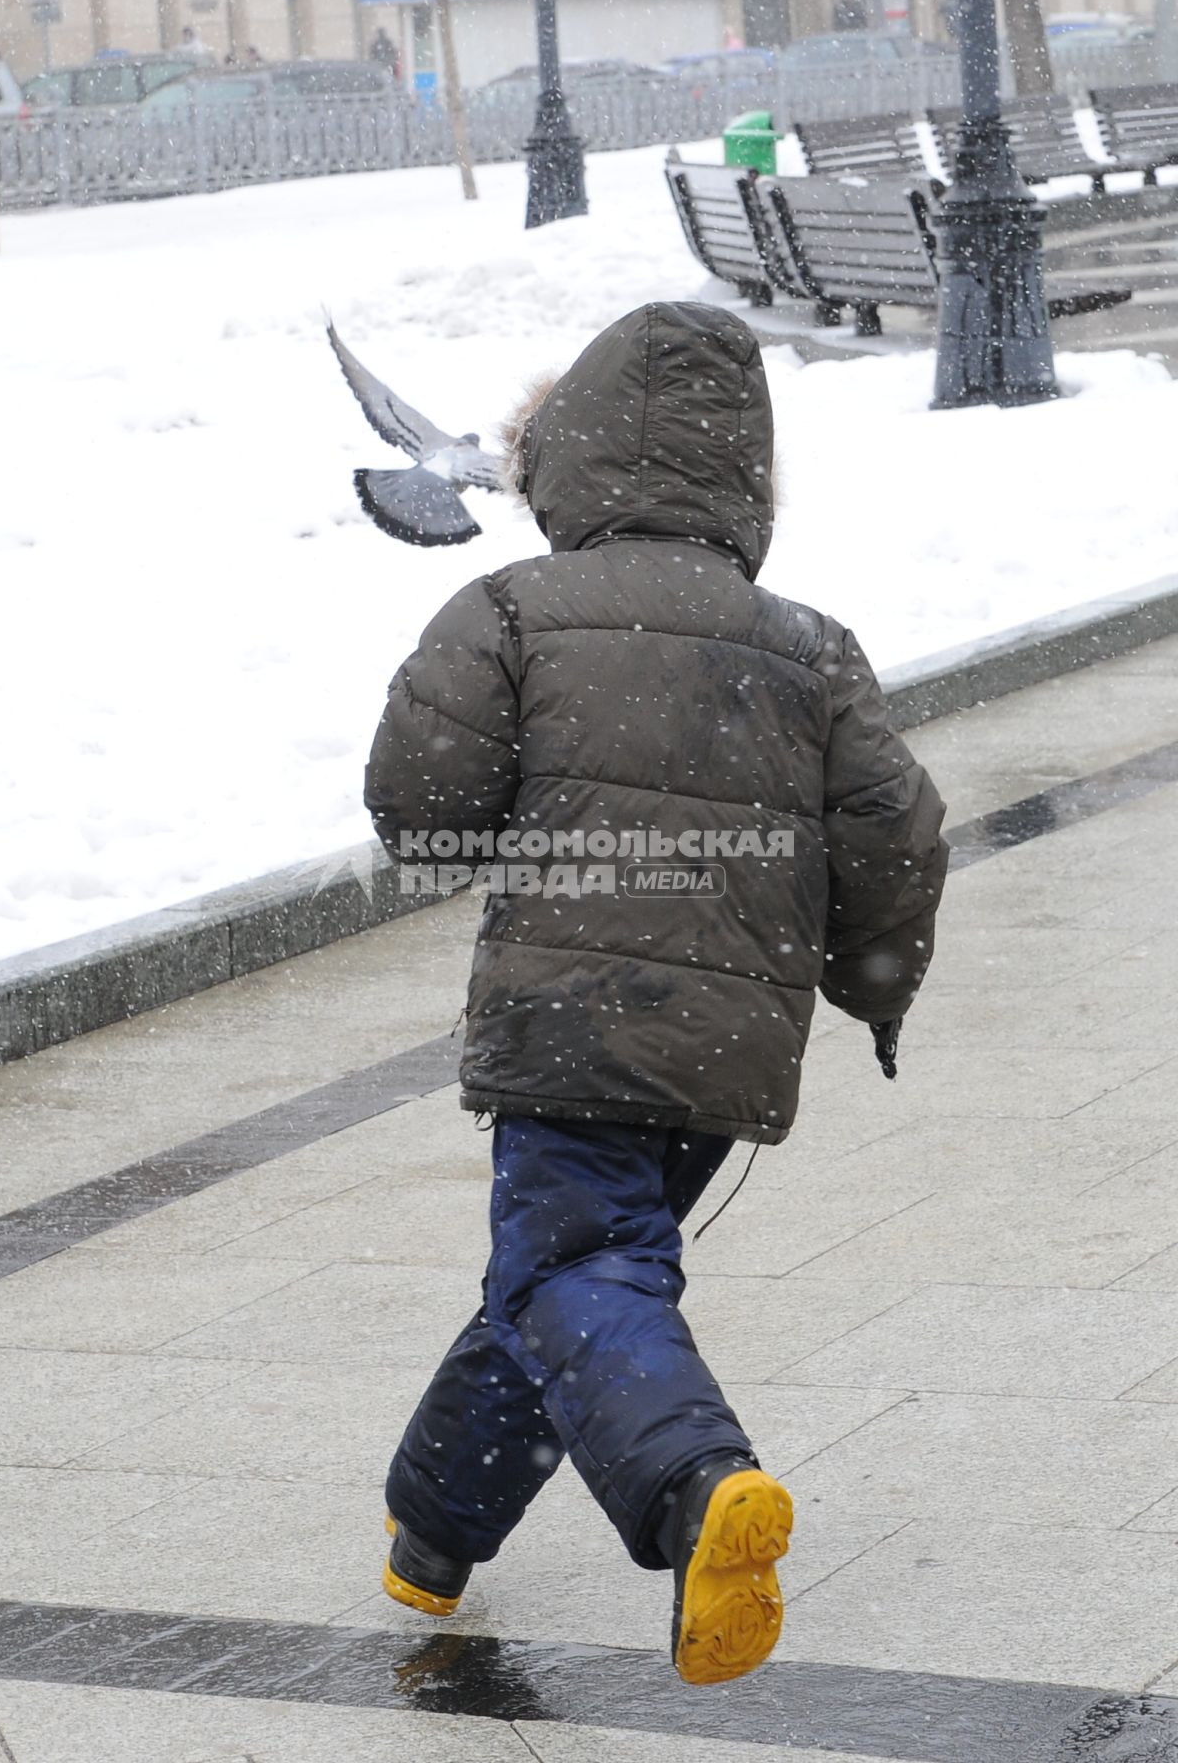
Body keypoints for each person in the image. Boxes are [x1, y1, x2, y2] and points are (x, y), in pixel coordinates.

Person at [364, 301, 948, 1686]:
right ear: (740, 479)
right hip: (726, 1046)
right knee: (576, 1267)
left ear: (567, 458)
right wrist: (870, 986)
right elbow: (898, 838)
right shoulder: (807, 645)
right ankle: (431, 1530)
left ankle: (699, 1492)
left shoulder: (512, 608)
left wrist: (501, 823)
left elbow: (420, 802)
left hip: (565, 1017)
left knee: (573, 1266)